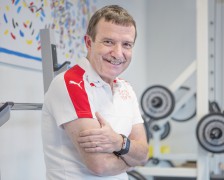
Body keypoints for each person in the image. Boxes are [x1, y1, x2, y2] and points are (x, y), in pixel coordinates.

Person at [41, 5, 149, 179]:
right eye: (108, 42)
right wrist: (131, 156)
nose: (118, 53)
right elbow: (100, 165)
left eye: (127, 44)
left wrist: (118, 142)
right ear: (89, 43)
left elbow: (144, 154)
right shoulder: (71, 83)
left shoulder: (126, 88)